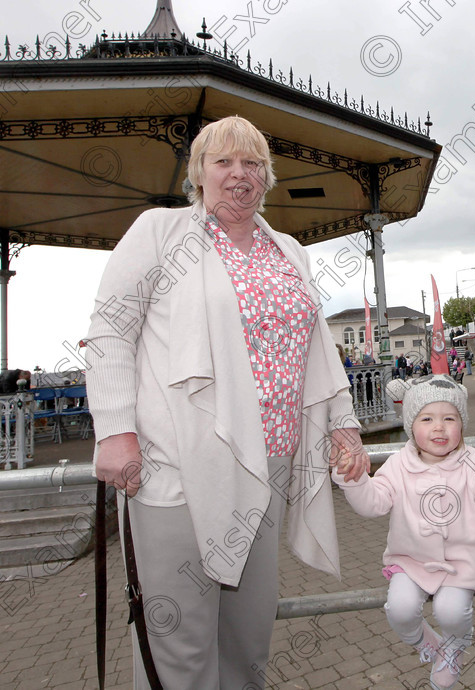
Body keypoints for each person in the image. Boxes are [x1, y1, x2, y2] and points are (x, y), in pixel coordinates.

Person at [86, 116, 369, 690]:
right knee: (180, 647)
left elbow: (316, 346)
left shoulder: (289, 250)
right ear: (198, 173)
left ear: (266, 177)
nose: (239, 175)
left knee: (247, 642)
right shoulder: (161, 232)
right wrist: (115, 429)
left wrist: (342, 423)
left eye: (252, 164)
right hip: (177, 470)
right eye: (224, 162)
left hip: (268, 469)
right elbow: (110, 329)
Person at [332, 375, 475, 689]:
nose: (439, 428)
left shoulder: (471, 461)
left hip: (462, 562)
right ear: (411, 424)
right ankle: (431, 645)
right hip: (411, 561)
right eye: (427, 418)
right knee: (399, 609)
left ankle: (454, 649)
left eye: (449, 419)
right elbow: (373, 503)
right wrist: (354, 479)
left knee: (451, 609)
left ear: (461, 426)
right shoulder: (398, 465)